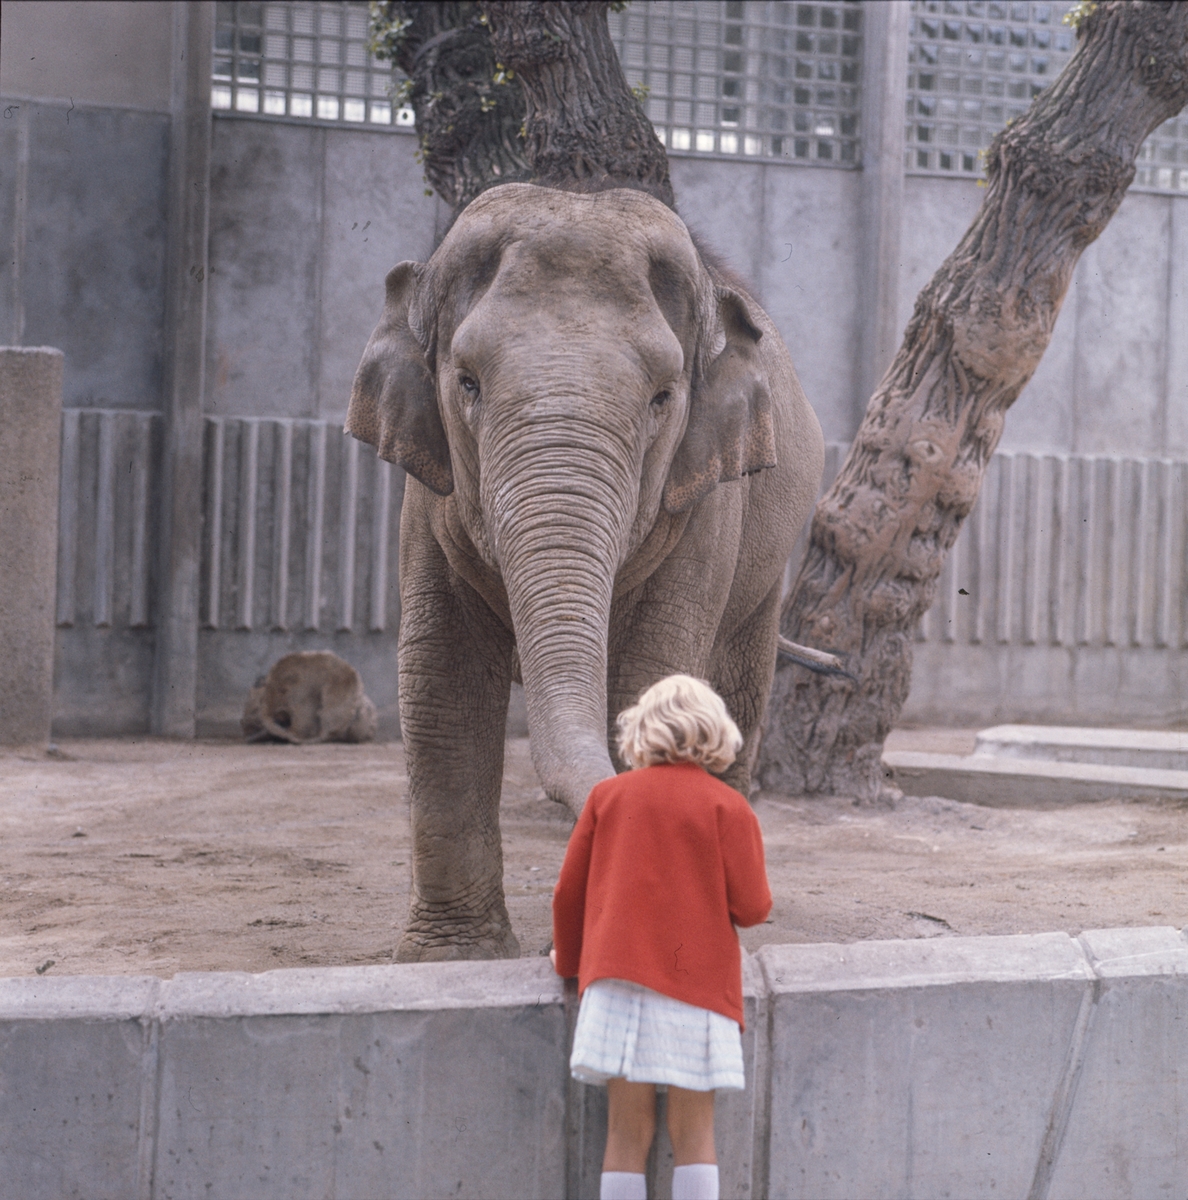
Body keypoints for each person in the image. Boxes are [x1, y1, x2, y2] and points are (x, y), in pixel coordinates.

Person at [551, 674, 772, 1200]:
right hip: (697, 990)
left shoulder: (606, 796)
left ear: (640, 731)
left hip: (616, 984)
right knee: (694, 1133)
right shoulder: (728, 806)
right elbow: (754, 907)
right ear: (715, 732)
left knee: (626, 1133)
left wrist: (569, 964)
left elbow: (567, 895)